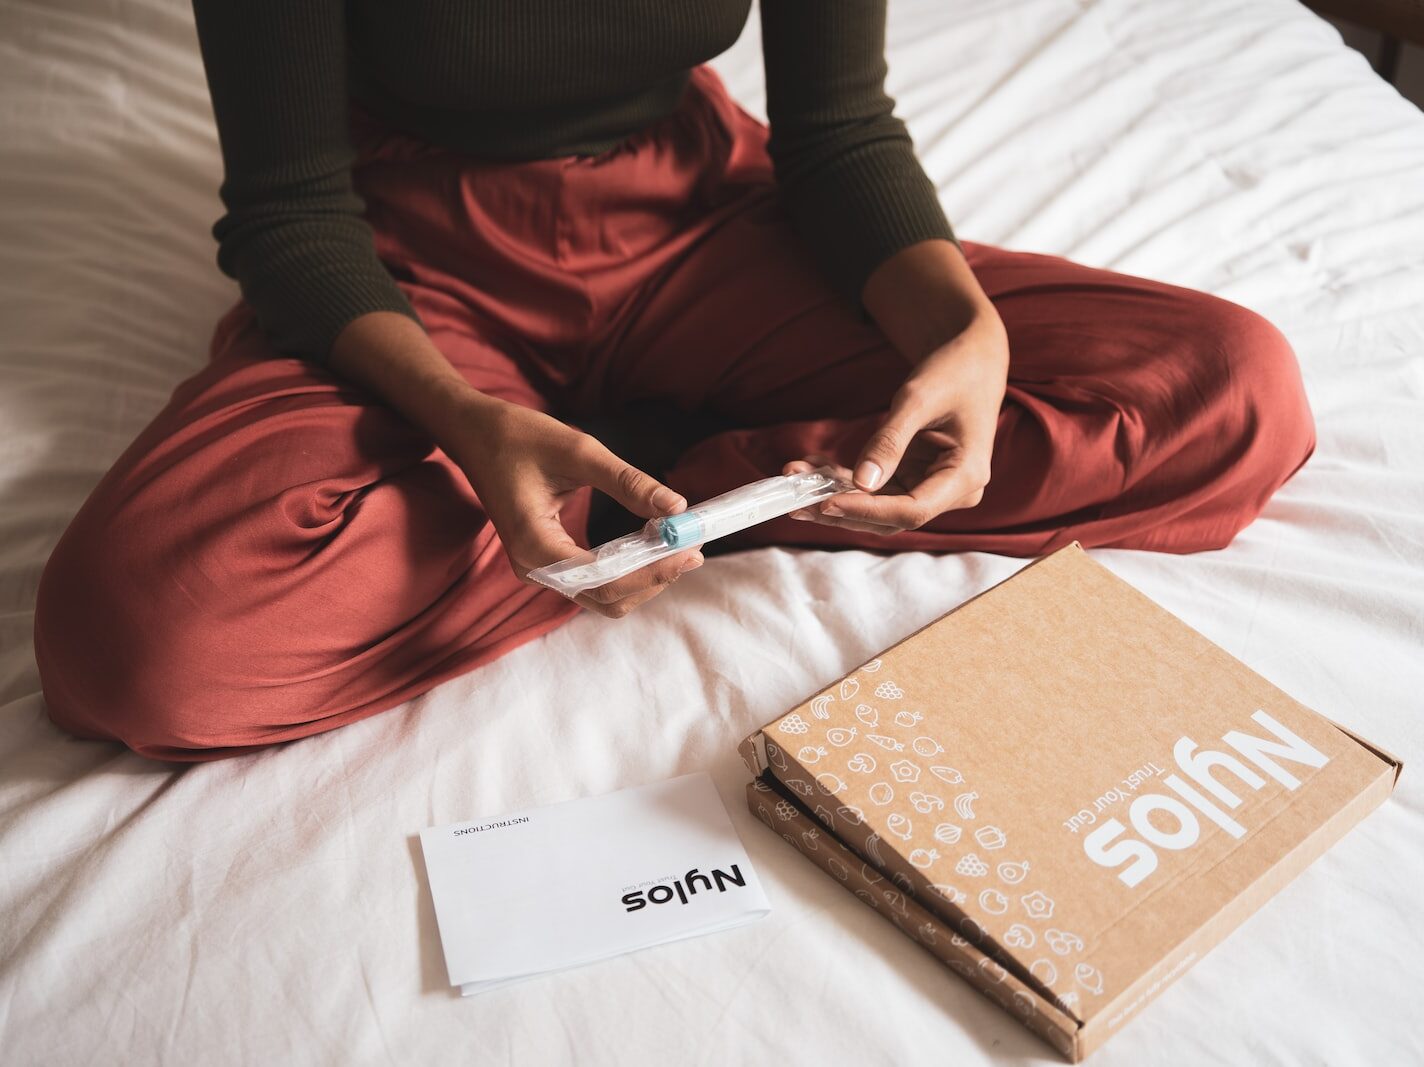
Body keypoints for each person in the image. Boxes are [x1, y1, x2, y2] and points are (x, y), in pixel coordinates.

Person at [32, 1, 1315, 761]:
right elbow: (289, 213)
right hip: (408, 261)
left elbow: (837, 129)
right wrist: (466, 421)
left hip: (698, 215)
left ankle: (677, 490)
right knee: (140, 647)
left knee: (1229, 388)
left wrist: (963, 330)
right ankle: (586, 486)